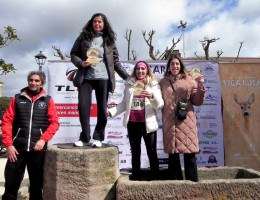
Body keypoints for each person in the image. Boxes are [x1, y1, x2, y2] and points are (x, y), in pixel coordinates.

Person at [70, 13, 129, 148]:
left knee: (102, 109)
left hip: (103, 77)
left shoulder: (109, 40)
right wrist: (81, 63)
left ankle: (98, 137)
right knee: (83, 107)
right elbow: (73, 54)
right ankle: (85, 137)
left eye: (100, 22)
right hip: (86, 77)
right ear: (92, 23)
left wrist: (127, 77)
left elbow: (115, 61)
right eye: (95, 21)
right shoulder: (83, 37)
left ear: (104, 24)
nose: (97, 24)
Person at [1, 71, 60, 200]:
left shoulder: (48, 100)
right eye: (31, 80)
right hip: (16, 150)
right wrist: (9, 144)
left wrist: (43, 139)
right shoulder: (17, 98)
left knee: (37, 186)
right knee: (11, 185)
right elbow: (6, 122)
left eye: (36, 81)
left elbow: (54, 123)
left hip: (38, 150)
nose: (33, 83)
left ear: (42, 83)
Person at [108, 61, 164, 180]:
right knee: (135, 151)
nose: (140, 71)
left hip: (148, 123)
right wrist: (112, 111)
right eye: (138, 69)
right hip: (133, 123)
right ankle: (136, 176)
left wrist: (151, 97)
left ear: (147, 71)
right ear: (135, 71)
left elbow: (159, 105)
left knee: (152, 151)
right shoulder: (129, 84)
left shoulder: (153, 84)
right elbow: (124, 104)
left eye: (143, 69)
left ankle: (155, 176)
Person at [159, 54, 205, 182]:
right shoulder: (162, 82)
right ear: (168, 67)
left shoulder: (190, 81)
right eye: (172, 64)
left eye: (177, 64)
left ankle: (193, 186)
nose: (175, 66)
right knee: (173, 156)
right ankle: (175, 185)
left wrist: (200, 86)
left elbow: (197, 101)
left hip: (186, 121)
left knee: (189, 154)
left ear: (181, 66)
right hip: (170, 123)